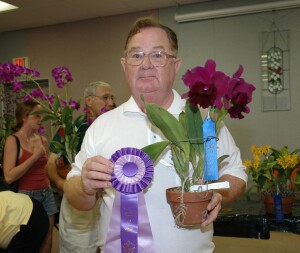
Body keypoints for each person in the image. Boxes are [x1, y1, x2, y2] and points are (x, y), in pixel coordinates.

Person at [64, 17, 248, 253]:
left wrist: (216, 191)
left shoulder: (204, 120)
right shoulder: (102, 125)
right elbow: (75, 194)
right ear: (124, 64)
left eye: (158, 55)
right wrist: (85, 186)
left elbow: (235, 175)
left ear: (176, 64)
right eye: (136, 55)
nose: (146, 64)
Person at [45, 81, 115, 253]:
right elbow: (50, 164)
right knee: (77, 248)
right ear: (88, 101)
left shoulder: (117, 127)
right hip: (79, 204)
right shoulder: (72, 129)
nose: (111, 103)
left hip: (111, 202)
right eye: (105, 97)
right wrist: (64, 185)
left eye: (112, 98)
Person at [3, 101, 58, 253]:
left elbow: (45, 169)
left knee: (48, 240)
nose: (41, 119)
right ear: (24, 117)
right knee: (30, 243)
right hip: (26, 196)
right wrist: (34, 157)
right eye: (37, 115)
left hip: (46, 193)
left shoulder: (43, 140)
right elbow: (8, 177)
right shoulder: (12, 141)